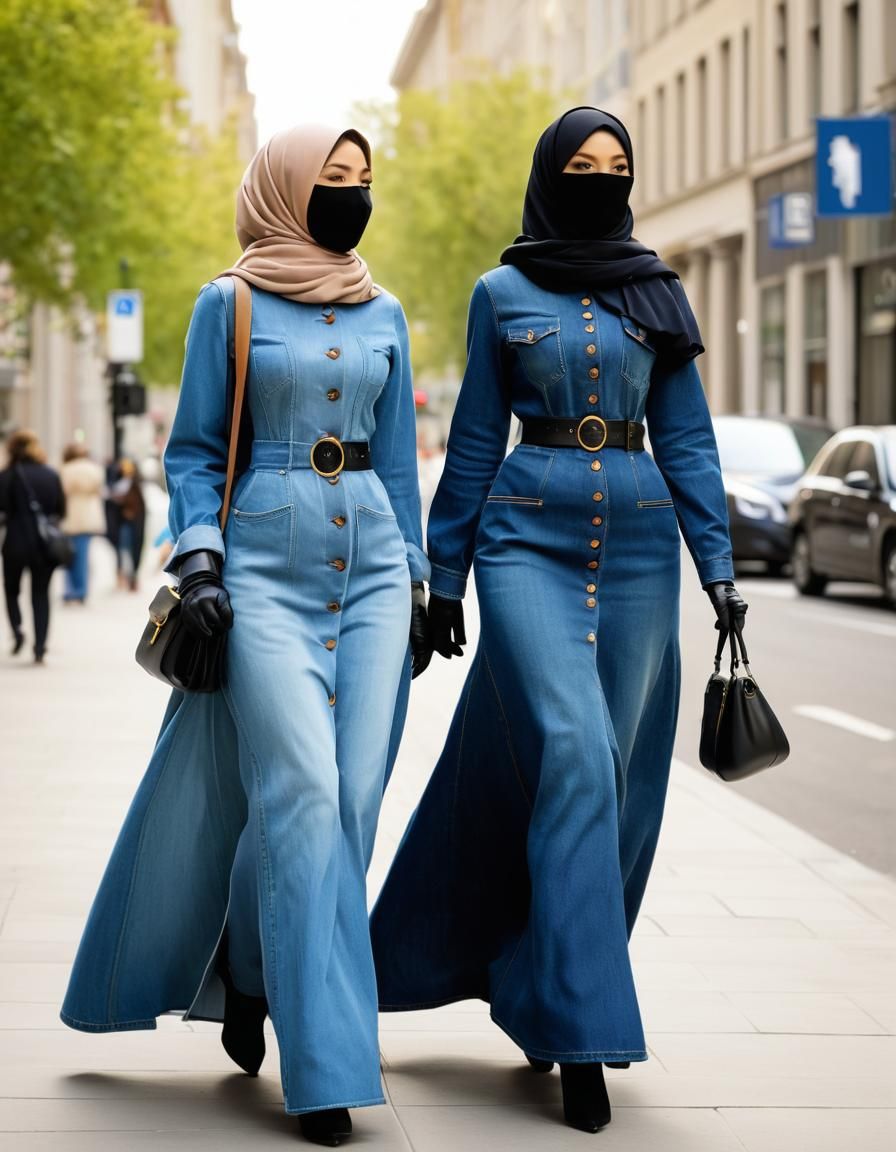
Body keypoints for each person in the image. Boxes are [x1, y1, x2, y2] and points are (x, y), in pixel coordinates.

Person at [370, 108, 748, 1135]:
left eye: (613, 167)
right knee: (576, 752)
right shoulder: (500, 291)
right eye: (579, 167)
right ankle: (584, 1037)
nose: (597, 179)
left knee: (615, 777)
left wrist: (716, 572)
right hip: (520, 541)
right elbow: (475, 437)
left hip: (637, 550)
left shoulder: (655, 290)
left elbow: (689, 441)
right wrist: (442, 576)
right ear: (547, 176)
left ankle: (540, 984)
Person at [61, 124, 430, 1148]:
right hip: (261, 569)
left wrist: (422, 582)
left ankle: (250, 965)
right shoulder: (227, 304)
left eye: (362, 181)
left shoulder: (385, 309)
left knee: (348, 801)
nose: (351, 196)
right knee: (302, 792)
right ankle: (329, 1072)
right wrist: (199, 559)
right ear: (282, 187)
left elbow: (397, 466)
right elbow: (190, 454)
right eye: (331, 180)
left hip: (372, 574)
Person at [0, 428, 65, 664]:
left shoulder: (6, 476)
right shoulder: (50, 475)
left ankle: (17, 629)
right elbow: (60, 510)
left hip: (15, 543)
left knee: (11, 590)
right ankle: (39, 647)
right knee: (40, 594)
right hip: (43, 545)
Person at [60, 443, 105, 604]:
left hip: (69, 516)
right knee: (83, 556)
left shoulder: (65, 470)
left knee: (68, 556)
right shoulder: (94, 470)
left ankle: (70, 590)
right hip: (88, 518)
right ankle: (81, 590)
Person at [109, 457, 146, 591]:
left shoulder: (137, 484)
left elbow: (140, 505)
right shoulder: (117, 483)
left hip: (134, 523)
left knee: (132, 551)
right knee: (123, 550)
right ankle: (123, 577)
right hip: (122, 523)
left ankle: (132, 578)